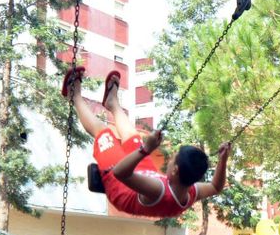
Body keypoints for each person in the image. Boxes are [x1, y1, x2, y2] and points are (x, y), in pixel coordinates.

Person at [62, 64, 230, 219]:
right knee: (131, 136)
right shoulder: (190, 191)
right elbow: (216, 187)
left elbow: (120, 173)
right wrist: (223, 159)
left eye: (173, 159)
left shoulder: (159, 191)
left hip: (120, 186)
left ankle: (74, 95)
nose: (169, 160)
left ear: (175, 170)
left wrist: (146, 150)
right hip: (144, 174)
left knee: (103, 133)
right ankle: (112, 103)